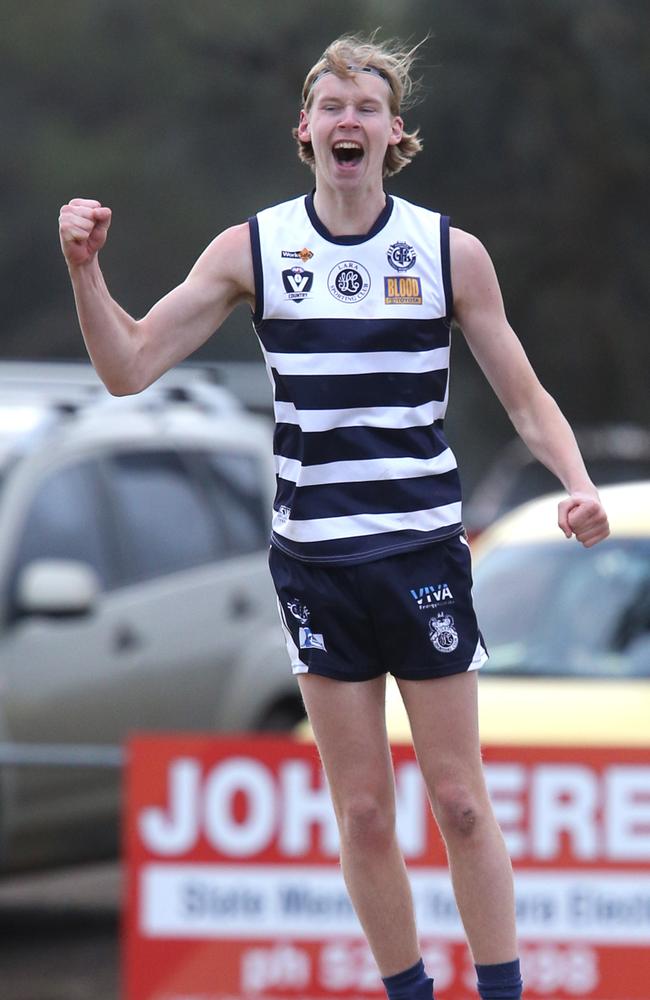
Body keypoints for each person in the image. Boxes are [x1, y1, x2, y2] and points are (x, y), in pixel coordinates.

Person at [59, 33, 610, 1000]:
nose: (346, 121)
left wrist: (578, 482)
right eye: (331, 106)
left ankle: (505, 991)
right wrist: (85, 270)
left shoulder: (447, 252)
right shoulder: (255, 249)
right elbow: (128, 367)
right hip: (313, 562)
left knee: (461, 804)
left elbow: (526, 400)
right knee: (360, 812)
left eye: (366, 107)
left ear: (394, 132)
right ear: (304, 130)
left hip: (422, 551)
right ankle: (408, 991)